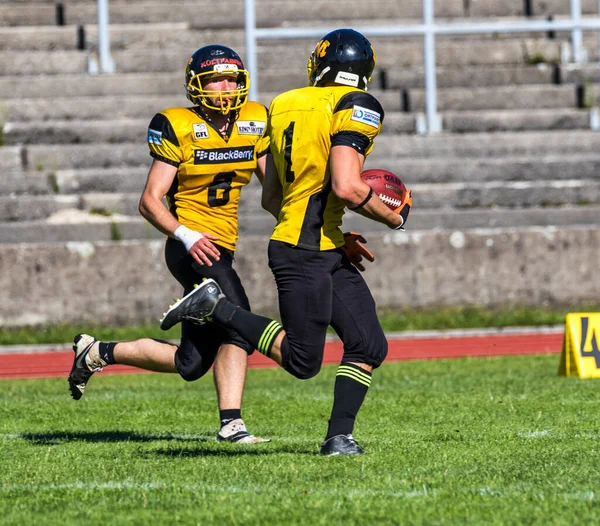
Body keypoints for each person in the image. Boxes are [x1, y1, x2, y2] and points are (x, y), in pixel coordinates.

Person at [158, 29, 413, 455]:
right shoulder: (358, 105)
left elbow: (273, 196)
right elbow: (348, 187)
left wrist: (334, 232)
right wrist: (395, 217)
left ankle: (338, 437)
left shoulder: (283, 104)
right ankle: (214, 307)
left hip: (317, 243)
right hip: (306, 251)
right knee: (302, 360)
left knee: (369, 343)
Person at [67, 44, 272, 444]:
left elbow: (274, 195)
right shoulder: (177, 125)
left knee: (191, 362)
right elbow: (148, 200)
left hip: (223, 245)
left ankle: (96, 352)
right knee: (240, 321)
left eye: (231, 77)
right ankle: (233, 424)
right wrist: (187, 234)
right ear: (198, 85)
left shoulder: (256, 119)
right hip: (189, 245)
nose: (226, 87)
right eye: (216, 79)